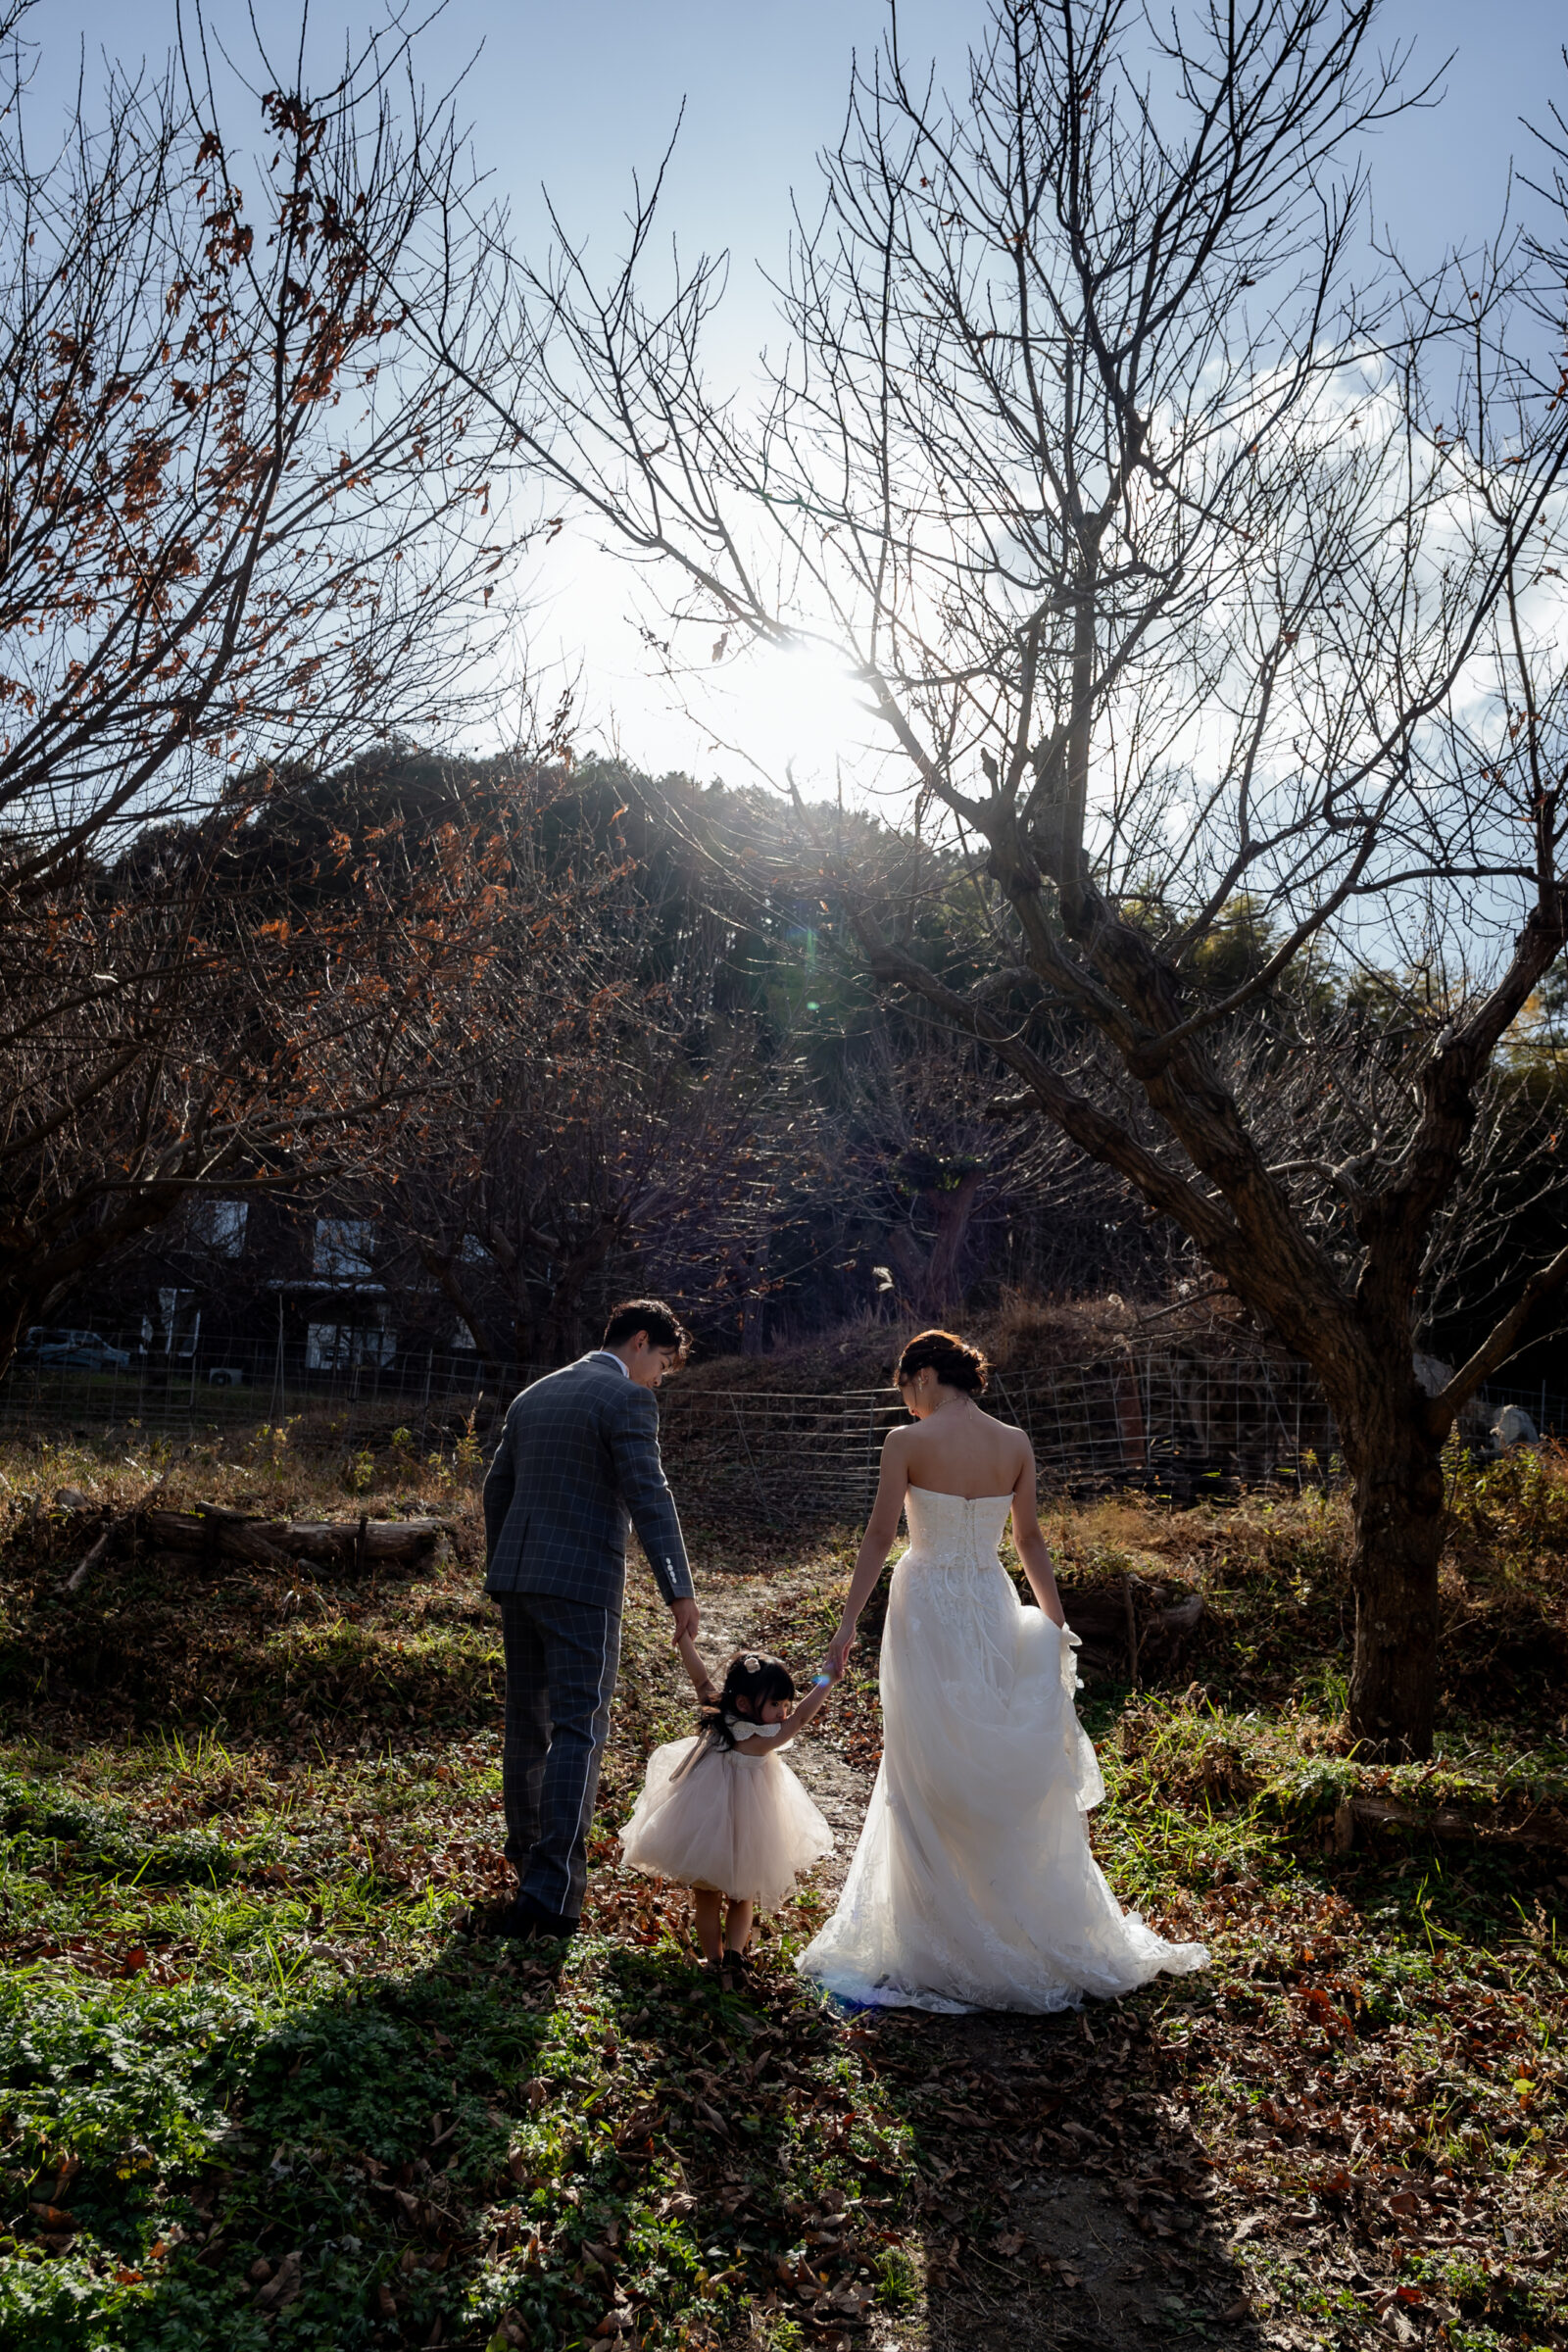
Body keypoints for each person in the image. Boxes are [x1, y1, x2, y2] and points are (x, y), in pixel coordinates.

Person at [797, 1327, 1208, 2012]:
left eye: (906, 1390)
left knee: (925, 1762)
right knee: (985, 1743)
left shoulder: (905, 1444)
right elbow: (1029, 1539)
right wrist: (1054, 1621)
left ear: (924, 1376)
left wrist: (845, 1627)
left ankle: (934, 1926)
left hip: (925, 1601)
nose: (907, 1405)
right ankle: (995, 1909)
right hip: (989, 1598)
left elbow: (878, 1537)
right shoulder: (1014, 1443)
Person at [480, 1298, 699, 1940]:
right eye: (661, 1363)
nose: (658, 1379)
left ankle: (527, 1870)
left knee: (528, 1727)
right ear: (638, 1342)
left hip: (519, 1579)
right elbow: (648, 1493)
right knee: (578, 1729)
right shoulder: (625, 1400)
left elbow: (497, 1488)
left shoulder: (534, 1396)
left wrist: (509, 1560)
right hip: (581, 1586)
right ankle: (551, 1899)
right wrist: (678, 1589)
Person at [619, 1636, 835, 1981]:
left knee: (707, 1894)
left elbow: (700, 1678)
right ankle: (730, 1957)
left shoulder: (720, 1718)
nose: (784, 1713)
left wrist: (684, 1641)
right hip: (748, 1825)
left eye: (786, 1703)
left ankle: (720, 1960)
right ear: (746, 1704)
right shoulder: (761, 1741)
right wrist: (827, 1679)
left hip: (706, 1819)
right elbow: (800, 1722)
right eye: (776, 1704)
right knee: (741, 1892)